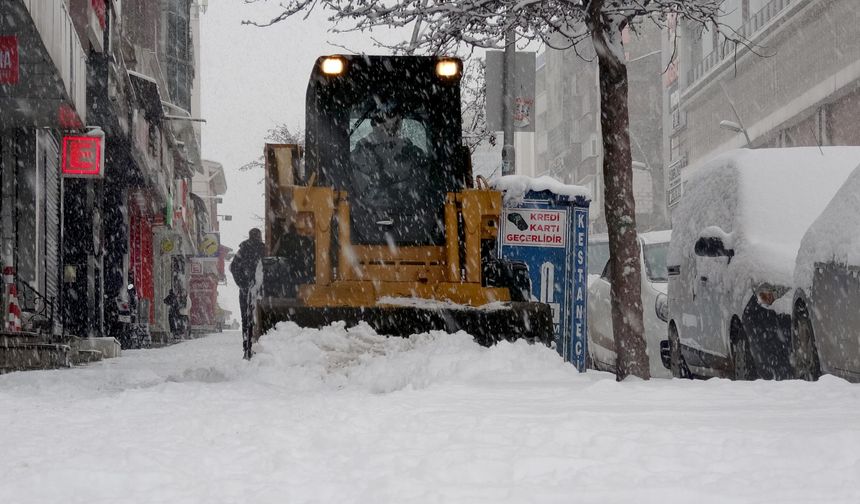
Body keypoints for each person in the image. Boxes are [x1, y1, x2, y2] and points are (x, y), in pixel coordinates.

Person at [230, 228, 265, 358]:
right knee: (260, 317)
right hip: (261, 289)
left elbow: (233, 267)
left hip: (246, 291)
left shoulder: (242, 250)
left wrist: (242, 284)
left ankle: (247, 348)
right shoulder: (264, 250)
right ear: (259, 237)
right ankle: (260, 344)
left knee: (246, 318)